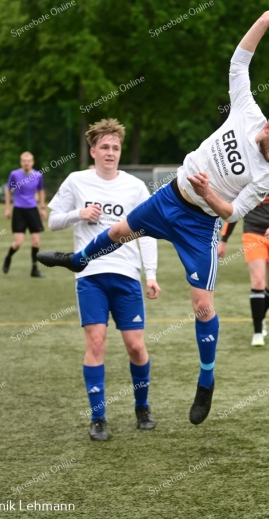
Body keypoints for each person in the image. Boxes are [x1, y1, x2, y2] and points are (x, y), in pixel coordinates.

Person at [37, 3, 269, 426]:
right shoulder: (246, 109)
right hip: (170, 199)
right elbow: (240, 59)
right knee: (121, 230)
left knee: (201, 306)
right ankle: (78, 261)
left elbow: (232, 210)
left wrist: (210, 195)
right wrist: (266, 23)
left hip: (201, 222)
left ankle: (207, 379)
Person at [47, 119, 161, 441]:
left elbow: (148, 233)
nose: (111, 153)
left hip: (127, 276)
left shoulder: (135, 187)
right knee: (96, 343)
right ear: (93, 150)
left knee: (136, 347)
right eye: (105, 147)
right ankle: (98, 418)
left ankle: (142, 406)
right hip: (91, 276)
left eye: (116, 147)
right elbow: (53, 220)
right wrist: (78, 215)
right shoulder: (76, 181)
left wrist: (150, 275)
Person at [217, 170, 269, 346]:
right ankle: (257, 332)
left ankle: (262, 316)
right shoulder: (247, 177)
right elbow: (234, 211)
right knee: (258, 282)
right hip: (252, 233)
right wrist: (224, 240)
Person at [3, 152, 46, 278]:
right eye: (24, 161)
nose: (26, 163)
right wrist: (7, 208)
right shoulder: (14, 174)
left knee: (36, 241)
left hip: (32, 210)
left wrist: (42, 208)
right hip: (19, 210)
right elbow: (7, 189)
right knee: (18, 242)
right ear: (21, 162)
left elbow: (41, 190)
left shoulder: (38, 175)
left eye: (29, 161)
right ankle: (8, 256)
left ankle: (34, 269)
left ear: (33, 162)